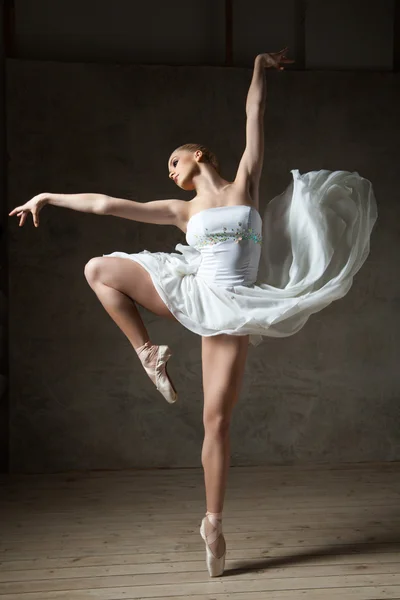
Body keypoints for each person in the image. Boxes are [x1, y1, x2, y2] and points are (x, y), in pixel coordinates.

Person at [9, 48, 377, 577]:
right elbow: (107, 203)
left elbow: (255, 114)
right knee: (99, 269)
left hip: (230, 311)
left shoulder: (244, 183)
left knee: (216, 421)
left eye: (174, 162)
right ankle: (148, 353)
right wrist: (49, 196)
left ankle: (212, 522)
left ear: (199, 154)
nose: (170, 170)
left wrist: (257, 66)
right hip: (189, 294)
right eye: (167, 168)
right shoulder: (180, 211)